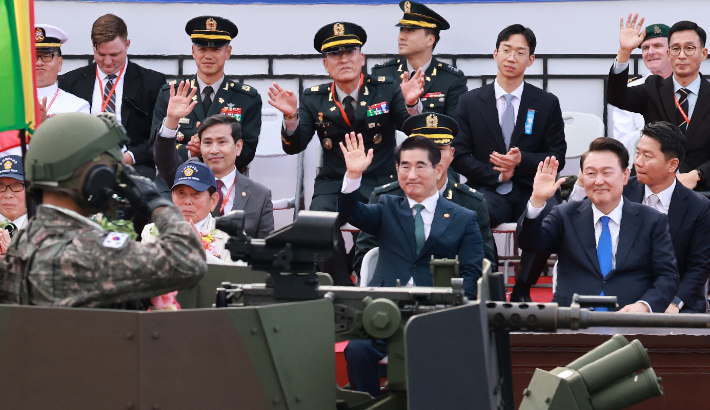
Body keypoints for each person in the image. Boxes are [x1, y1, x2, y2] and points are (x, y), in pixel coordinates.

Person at [267, 21, 424, 285]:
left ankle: (373, 281)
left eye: (350, 52)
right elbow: (294, 145)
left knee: (386, 224)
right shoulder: (313, 97)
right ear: (325, 65)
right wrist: (291, 116)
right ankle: (341, 289)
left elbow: (413, 130)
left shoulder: (386, 88)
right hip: (334, 183)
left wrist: (411, 104)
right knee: (316, 225)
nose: (344, 60)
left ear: (361, 58)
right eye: (335, 55)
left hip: (380, 180)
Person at [0, 112, 207, 307]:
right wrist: (156, 203)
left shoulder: (24, 241)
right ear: (95, 178)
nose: (115, 180)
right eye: (111, 170)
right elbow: (187, 261)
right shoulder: (88, 251)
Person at [339, 132, 484, 396]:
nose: (411, 174)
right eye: (404, 166)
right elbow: (352, 213)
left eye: (420, 166)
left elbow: (472, 271)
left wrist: (458, 313)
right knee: (357, 350)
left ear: (438, 169)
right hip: (386, 314)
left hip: (436, 316)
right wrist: (353, 175)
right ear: (397, 170)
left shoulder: (464, 218)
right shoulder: (386, 207)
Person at [451, 24, 566, 302]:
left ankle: (524, 287)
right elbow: (460, 154)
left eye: (520, 52)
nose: (512, 58)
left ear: (531, 60)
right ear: (495, 54)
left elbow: (557, 156)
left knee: (549, 214)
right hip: (489, 188)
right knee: (471, 214)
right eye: (506, 50)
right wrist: (498, 175)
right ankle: (489, 286)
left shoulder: (546, 102)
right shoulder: (469, 102)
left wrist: (521, 162)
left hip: (532, 187)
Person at [517, 138, 678, 313]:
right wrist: (537, 200)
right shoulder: (564, 215)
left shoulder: (652, 221)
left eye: (607, 173)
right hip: (573, 320)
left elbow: (668, 277)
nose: (598, 181)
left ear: (625, 176)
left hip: (630, 321)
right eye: (591, 174)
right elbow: (531, 243)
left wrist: (644, 306)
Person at [353, 113, 496, 276]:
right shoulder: (383, 199)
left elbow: (485, 264)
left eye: (439, 150)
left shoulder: (471, 203)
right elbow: (364, 259)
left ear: (452, 154)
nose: (431, 158)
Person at [58, 14, 167, 179]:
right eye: (101, 54)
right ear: (93, 48)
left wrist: (128, 158)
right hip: (83, 167)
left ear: (127, 44)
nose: (108, 62)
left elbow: (158, 137)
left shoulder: (152, 82)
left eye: (115, 55)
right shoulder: (70, 82)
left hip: (134, 167)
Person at [608, 16, 710, 190]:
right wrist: (624, 51)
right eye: (676, 49)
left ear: (703, 54)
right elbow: (617, 96)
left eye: (690, 48)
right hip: (651, 184)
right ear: (669, 54)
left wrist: (698, 175)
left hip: (701, 189)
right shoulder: (652, 88)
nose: (682, 55)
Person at [151, 16, 261, 171]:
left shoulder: (247, 98)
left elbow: (247, 153)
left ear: (228, 52)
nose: (208, 56)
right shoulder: (172, 94)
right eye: (202, 49)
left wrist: (205, 149)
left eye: (216, 49)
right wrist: (190, 153)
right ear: (193, 51)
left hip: (223, 182)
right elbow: (155, 149)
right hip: (175, 179)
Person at [625, 122, 710, 313]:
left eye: (647, 156)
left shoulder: (699, 207)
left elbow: (699, 266)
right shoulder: (622, 193)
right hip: (627, 296)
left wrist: (675, 303)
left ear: (673, 164)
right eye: (637, 153)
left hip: (677, 299)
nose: (638, 162)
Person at [154, 110, 273, 239]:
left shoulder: (259, 195)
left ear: (238, 147)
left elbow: (265, 248)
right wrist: (172, 118)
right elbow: (164, 159)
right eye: (207, 143)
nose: (214, 150)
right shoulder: (185, 179)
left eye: (222, 142)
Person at [371, 1, 467, 117]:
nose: (401, 37)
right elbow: (374, 119)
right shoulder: (382, 74)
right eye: (401, 30)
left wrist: (415, 106)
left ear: (430, 40)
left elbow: (454, 128)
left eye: (410, 30)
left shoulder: (451, 79)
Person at [142, 161, 238, 264]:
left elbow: (238, 277)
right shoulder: (152, 232)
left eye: (196, 194)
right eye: (181, 193)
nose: (187, 202)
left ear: (213, 200)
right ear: (172, 196)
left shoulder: (231, 236)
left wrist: (201, 253)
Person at [608, 23, 672, 156]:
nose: (651, 52)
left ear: (673, 50)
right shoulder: (631, 90)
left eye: (658, 46)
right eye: (645, 48)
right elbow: (622, 144)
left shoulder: (688, 86)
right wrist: (655, 132)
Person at [35, 24, 90, 123]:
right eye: (32, 56)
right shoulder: (8, 105)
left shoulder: (77, 107)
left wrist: (45, 126)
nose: (39, 63)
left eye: (47, 56)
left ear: (59, 63)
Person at [0, 156, 28, 254]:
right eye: (1, 186)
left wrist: (12, 256)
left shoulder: (42, 229)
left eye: (17, 186)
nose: (8, 195)